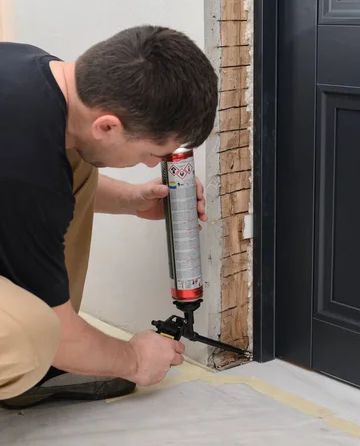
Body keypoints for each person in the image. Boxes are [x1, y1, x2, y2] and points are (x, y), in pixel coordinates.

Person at [0, 25, 217, 409]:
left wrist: (133, 199)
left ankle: (46, 369)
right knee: (29, 338)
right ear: (108, 126)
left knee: (76, 159)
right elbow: (28, 187)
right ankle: (36, 364)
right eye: (151, 151)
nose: (151, 163)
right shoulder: (24, 157)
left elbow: (32, 195)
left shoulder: (34, 72)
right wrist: (133, 359)